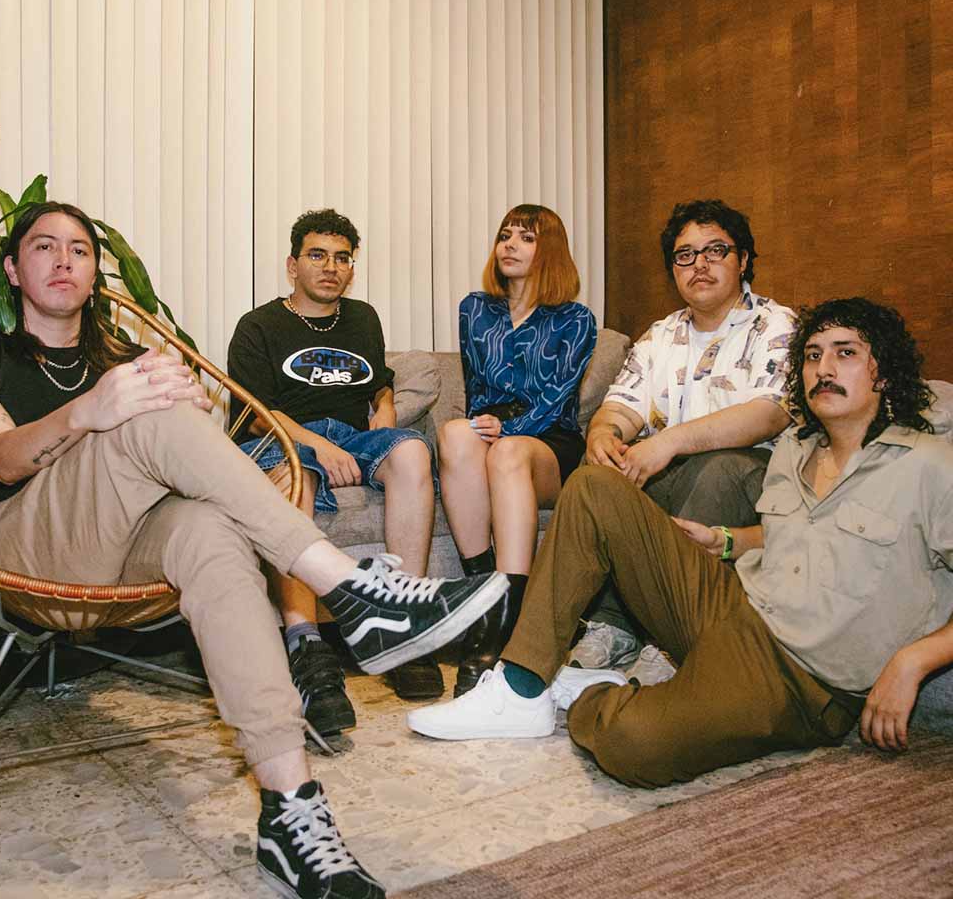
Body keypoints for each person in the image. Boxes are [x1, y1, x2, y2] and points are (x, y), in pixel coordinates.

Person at [0, 201, 507, 899]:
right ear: (12, 268)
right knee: (144, 408)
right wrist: (93, 410)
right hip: (21, 552)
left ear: (95, 275)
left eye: (80, 250)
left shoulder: (122, 360)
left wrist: (172, 411)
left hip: (119, 548)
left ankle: (290, 809)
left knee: (209, 535)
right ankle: (352, 588)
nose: (64, 259)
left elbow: (178, 469)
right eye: (44, 247)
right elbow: (1, 459)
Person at [407, 298, 953, 789]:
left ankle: (588, 691)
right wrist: (724, 541)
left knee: (632, 744)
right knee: (595, 486)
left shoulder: (929, 466)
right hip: (732, 604)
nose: (824, 368)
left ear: (884, 373)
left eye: (845, 353)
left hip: (799, 680)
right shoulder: (796, 448)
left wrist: (912, 662)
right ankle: (523, 685)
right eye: (813, 355)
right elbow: (798, 539)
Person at [228, 209, 440, 730]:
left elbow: (380, 383)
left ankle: (400, 621)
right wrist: (319, 447)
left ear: (352, 268)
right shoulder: (258, 326)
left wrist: (384, 411)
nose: (331, 267)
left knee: (413, 452)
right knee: (296, 478)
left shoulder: (363, 318)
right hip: (284, 437)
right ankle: (306, 646)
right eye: (317, 256)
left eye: (342, 258)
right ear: (292, 265)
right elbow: (256, 414)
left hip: (353, 437)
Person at [571, 199, 795, 675]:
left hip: (754, 479)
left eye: (716, 250)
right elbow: (620, 407)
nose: (700, 264)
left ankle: (671, 636)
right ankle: (613, 625)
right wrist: (604, 436)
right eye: (685, 255)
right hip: (672, 474)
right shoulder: (660, 336)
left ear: (743, 259)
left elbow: (769, 414)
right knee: (601, 476)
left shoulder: (775, 325)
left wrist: (668, 443)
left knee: (717, 469)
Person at [437, 204, 596, 696]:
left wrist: (508, 430)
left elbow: (557, 398)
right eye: (505, 235)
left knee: (506, 454)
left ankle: (509, 616)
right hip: (492, 430)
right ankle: (486, 597)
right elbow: (475, 388)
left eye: (526, 237)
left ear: (550, 251)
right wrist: (484, 427)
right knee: (453, 434)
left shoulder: (576, 319)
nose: (509, 244)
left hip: (547, 439)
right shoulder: (474, 309)